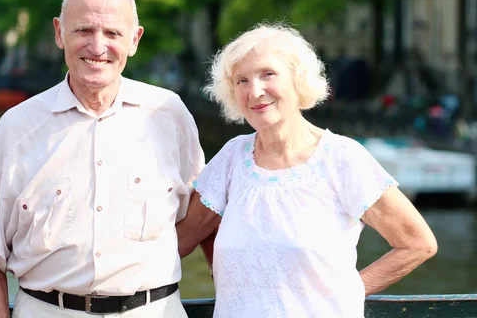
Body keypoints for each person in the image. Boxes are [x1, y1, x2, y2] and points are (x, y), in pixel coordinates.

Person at [0, 0, 205, 317]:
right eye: (83, 31)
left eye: (112, 34)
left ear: (134, 40)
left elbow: (204, 215)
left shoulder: (169, 115)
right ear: (59, 33)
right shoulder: (17, 127)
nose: (97, 47)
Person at [177, 23, 437, 318]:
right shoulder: (231, 158)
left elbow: (417, 244)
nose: (255, 91)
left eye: (268, 74)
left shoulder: (341, 159)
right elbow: (182, 240)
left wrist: (344, 293)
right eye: (242, 81)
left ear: (297, 79)